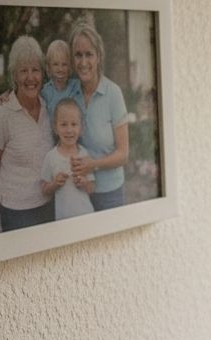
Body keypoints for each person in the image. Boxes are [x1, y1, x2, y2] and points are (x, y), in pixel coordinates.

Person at [0, 36, 54, 231]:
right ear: (14, 75)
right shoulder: (2, 116)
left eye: (35, 70)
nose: (30, 78)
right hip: (17, 214)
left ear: (42, 74)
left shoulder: (50, 106)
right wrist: (9, 198)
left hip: (49, 206)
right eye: (23, 71)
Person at [69, 21, 129, 211]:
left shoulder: (113, 93)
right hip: (78, 191)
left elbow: (123, 154)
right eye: (78, 55)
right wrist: (9, 95)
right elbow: (43, 94)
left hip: (109, 194)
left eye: (89, 54)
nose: (83, 62)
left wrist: (93, 165)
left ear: (99, 57)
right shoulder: (69, 92)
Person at [40, 98, 94, 220]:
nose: (69, 130)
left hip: (86, 216)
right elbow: (44, 189)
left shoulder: (84, 154)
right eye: (63, 124)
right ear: (55, 127)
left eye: (74, 124)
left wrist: (84, 183)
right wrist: (54, 184)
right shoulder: (51, 156)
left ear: (80, 128)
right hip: (63, 219)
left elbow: (92, 187)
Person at [42, 39, 82, 118]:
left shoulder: (76, 86)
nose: (60, 69)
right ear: (48, 67)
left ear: (70, 66)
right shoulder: (45, 92)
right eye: (55, 64)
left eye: (64, 64)